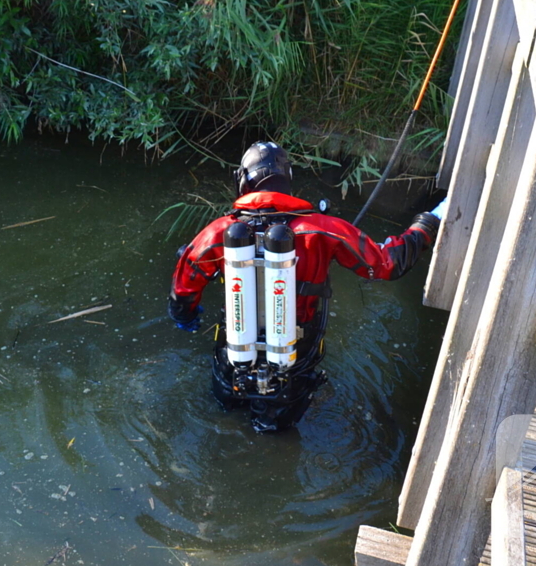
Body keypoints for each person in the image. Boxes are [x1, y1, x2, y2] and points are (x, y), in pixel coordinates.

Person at [167, 141, 446, 433]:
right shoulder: (323, 229)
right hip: (293, 357)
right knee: (275, 434)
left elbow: (183, 288)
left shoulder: (218, 232)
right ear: (287, 181)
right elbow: (387, 264)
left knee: (223, 420)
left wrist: (185, 316)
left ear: (242, 180)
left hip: (234, 353)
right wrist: (425, 225)